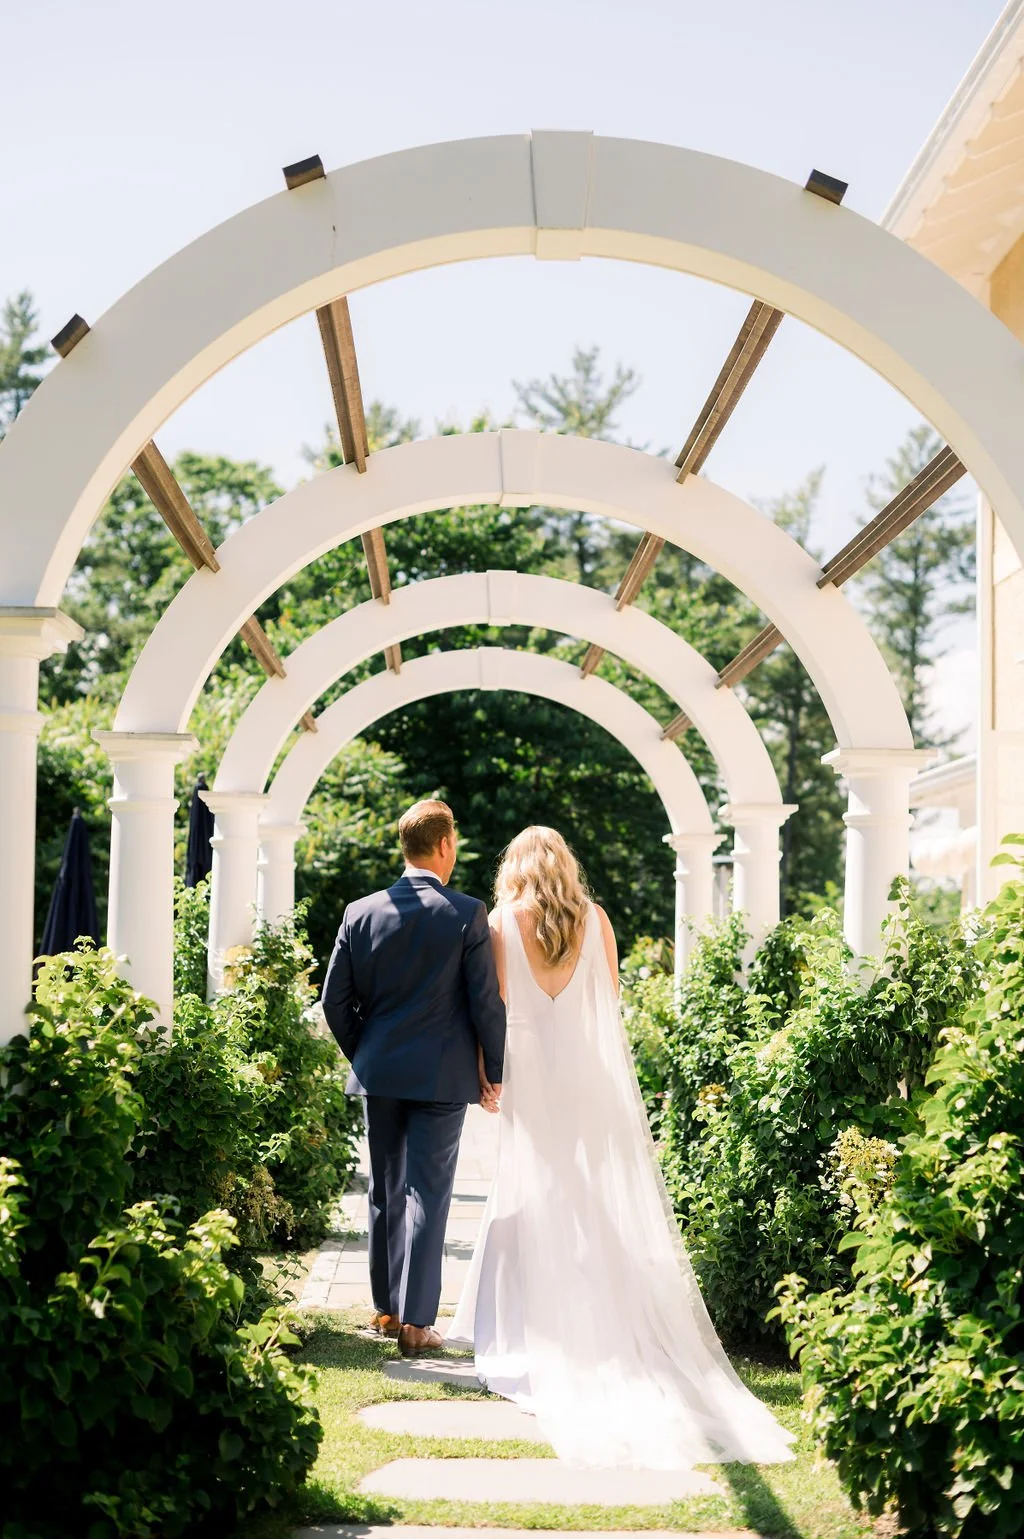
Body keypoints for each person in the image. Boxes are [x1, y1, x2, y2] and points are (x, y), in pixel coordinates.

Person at [449, 825, 795, 1469]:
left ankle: (536, 1326)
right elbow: (608, 1003)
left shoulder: (500, 921)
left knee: (530, 1188)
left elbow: (491, 1008)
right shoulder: (595, 919)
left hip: (529, 1072)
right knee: (586, 1194)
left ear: (515, 867)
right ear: (565, 864)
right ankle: (599, 1310)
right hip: (584, 1072)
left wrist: (486, 1073)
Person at [321, 799, 506, 1358]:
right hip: (443, 1079)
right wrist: (494, 1070)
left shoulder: (360, 912)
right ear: (445, 846)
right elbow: (485, 1004)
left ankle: (387, 1309)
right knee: (429, 1193)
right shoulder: (466, 913)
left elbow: (334, 1002)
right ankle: (418, 1323)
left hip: (380, 1076)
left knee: (384, 1192)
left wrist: (368, 1053)